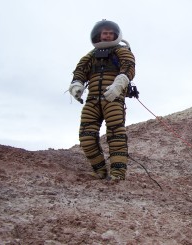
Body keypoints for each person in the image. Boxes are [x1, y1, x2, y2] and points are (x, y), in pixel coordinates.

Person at [68, 19, 135, 181]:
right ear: (99, 35)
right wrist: (76, 84)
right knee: (86, 136)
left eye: (110, 33)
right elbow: (80, 71)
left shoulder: (121, 51)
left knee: (116, 135)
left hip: (113, 98)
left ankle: (118, 174)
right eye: (105, 33)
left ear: (115, 35)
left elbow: (128, 67)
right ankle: (100, 171)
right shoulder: (90, 56)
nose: (107, 36)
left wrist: (118, 85)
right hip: (92, 100)